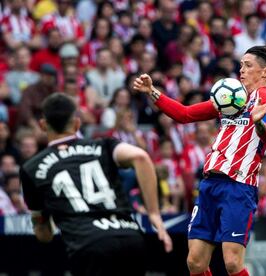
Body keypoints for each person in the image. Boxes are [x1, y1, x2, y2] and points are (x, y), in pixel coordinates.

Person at [134, 45, 266, 276]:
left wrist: (258, 121)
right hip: (210, 184)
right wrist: (153, 91)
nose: (241, 69)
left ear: (264, 72)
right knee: (195, 263)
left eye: (248, 65)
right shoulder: (229, 98)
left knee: (232, 263)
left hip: (238, 186)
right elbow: (184, 114)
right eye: (241, 64)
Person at [20, 93, 172, 276]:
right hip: (129, 236)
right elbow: (140, 157)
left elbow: (44, 234)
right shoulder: (103, 145)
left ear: (43, 125)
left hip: (88, 244)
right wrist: (154, 213)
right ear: (77, 123)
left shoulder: (32, 168)